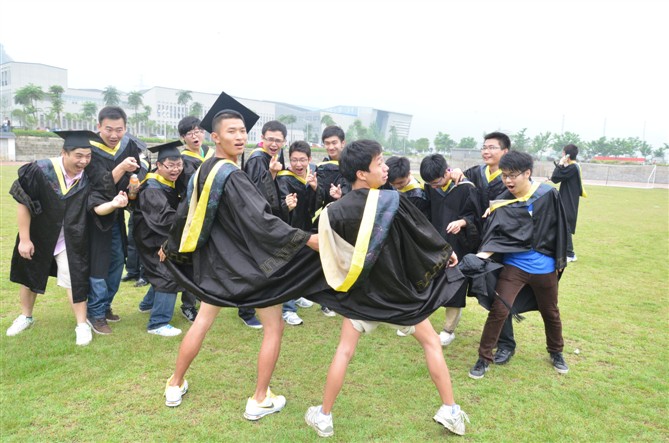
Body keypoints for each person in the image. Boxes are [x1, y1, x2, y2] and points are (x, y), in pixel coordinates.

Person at [161, 94, 327, 418]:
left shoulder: (205, 169)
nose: (239, 136)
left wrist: (169, 245)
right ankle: (260, 398)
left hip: (217, 266)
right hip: (247, 268)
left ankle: (174, 384)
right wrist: (306, 239)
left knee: (203, 323)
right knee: (274, 327)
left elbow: (185, 214)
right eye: (231, 131)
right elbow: (262, 220)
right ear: (215, 136)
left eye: (242, 131)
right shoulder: (233, 175)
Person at [305, 139, 470, 438]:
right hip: (401, 297)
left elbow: (328, 252)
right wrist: (446, 254)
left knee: (344, 351)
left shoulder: (335, 212)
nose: (385, 167)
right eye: (379, 163)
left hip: (361, 298)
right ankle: (450, 410)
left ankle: (324, 416)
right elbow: (422, 236)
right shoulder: (391, 202)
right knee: (431, 343)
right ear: (361, 174)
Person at [6, 130, 128, 346]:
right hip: (39, 236)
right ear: (64, 152)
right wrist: (25, 239)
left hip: (69, 239)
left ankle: (81, 325)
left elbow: (95, 207)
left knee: (75, 279)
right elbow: (23, 202)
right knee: (29, 278)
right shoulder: (40, 170)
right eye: (79, 156)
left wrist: (114, 204)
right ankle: (26, 316)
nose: (84, 161)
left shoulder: (88, 177)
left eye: (88, 156)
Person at [468, 150, 569, 379]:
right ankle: (483, 358)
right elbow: (495, 237)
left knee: (551, 312)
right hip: (515, 268)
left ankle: (556, 352)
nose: (508, 181)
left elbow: (559, 227)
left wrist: (561, 259)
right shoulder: (502, 203)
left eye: (513, 175)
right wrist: (480, 257)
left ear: (528, 173)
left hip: (545, 268)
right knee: (498, 310)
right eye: (504, 175)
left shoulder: (547, 195)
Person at [450, 132, 517, 365]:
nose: (486, 151)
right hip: (477, 243)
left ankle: (506, 344)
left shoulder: (511, 178)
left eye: (492, 148)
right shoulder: (477, 173)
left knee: (499, 294)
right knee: (489, 294)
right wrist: (455, 170)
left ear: (505, 152)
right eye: (484, 147)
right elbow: (455, 181)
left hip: (501, 245)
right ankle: (501, 339)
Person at [85, 106, 145, 335]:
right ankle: (96, 313)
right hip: (95, 213)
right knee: (99, 264)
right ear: (98, 126)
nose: (113, 135)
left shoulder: (128, 145)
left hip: (117, 213)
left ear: (125, 129)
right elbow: (98, 185)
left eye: (119, 130)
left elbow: (137, 172)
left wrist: (134, 181)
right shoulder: (89, 150)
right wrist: (121, 167)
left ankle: (105, 304)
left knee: (117, 260)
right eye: (108, 129)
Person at [240, 120, 303, 327]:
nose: (274, 143)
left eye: (278, 140)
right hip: (254, 221)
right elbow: (255, 194)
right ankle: (246, 311)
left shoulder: (270, 158)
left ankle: (256, 304)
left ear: (284, 141)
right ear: (262, 138)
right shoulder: (259, 159)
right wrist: (273, 173)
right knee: (254, 265)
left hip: (261, 219)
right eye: (270, 139)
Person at [419, 154, 481, 346]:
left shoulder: (466, 188)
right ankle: (416, 321)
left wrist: (462, 222)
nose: (434, 186)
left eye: (437, 182)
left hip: (459, 243)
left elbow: (475, 216)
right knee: (427, 282)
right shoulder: (430, 187)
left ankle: (448, 330)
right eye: (431, 184)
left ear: (447, 171)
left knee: (455, 285)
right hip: (437, 242)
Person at [135, 140, 186, 337]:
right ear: (159, 165)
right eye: (170, 166)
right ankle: (158, 323)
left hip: (157, 234)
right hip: (152, 237)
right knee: (168, 273)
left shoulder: (167, 182)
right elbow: (164, 220)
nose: (176, 170)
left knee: (160, 271)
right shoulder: (152, 188)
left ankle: (147, 304)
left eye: (179, 165)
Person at [174, 115, 212, 322]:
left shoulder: (210, 154)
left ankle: (203, 298)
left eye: (198, 131)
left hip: (211, 215)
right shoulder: (184, 160)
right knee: (192, 262)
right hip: (192, 217)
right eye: (190, 133)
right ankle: (188, 304)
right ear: (183, 138)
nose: (196, 135)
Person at [276, 140, 319, 310]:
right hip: (290, 228)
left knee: (301, 266)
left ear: (309, 159)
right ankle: (287, 308)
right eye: (294, 160)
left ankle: (298, 296)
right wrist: (286, 206)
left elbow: (316, 205)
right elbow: (275, 206)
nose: (298, 164)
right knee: (289, 267)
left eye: (302, 159)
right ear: (289, 159)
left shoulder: (311, 177)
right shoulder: (283, 178)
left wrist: (316, 189)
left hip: (305, 226)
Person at [313, 125, 349, 317]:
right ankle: (327, 299)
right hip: (327, 217)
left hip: (347, 216)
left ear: (343, 143)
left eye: (334, 143)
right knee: (327, 258)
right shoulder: (323, 167)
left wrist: (343, 196)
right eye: (327, 143)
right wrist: (314, 188)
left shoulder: (352, 165)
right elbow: (319, 196)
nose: (331, 147)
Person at [550, 144, 586, 262]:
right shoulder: (573, 167)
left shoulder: (573, 167)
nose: (562, 154)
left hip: (568, 200)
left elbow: (555, 178)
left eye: (563, 152)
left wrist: (560, 163)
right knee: (562, 225)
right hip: (568, 199)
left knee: (566, 226)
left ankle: (570, 253)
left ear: (567, 154)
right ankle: (562, 251)